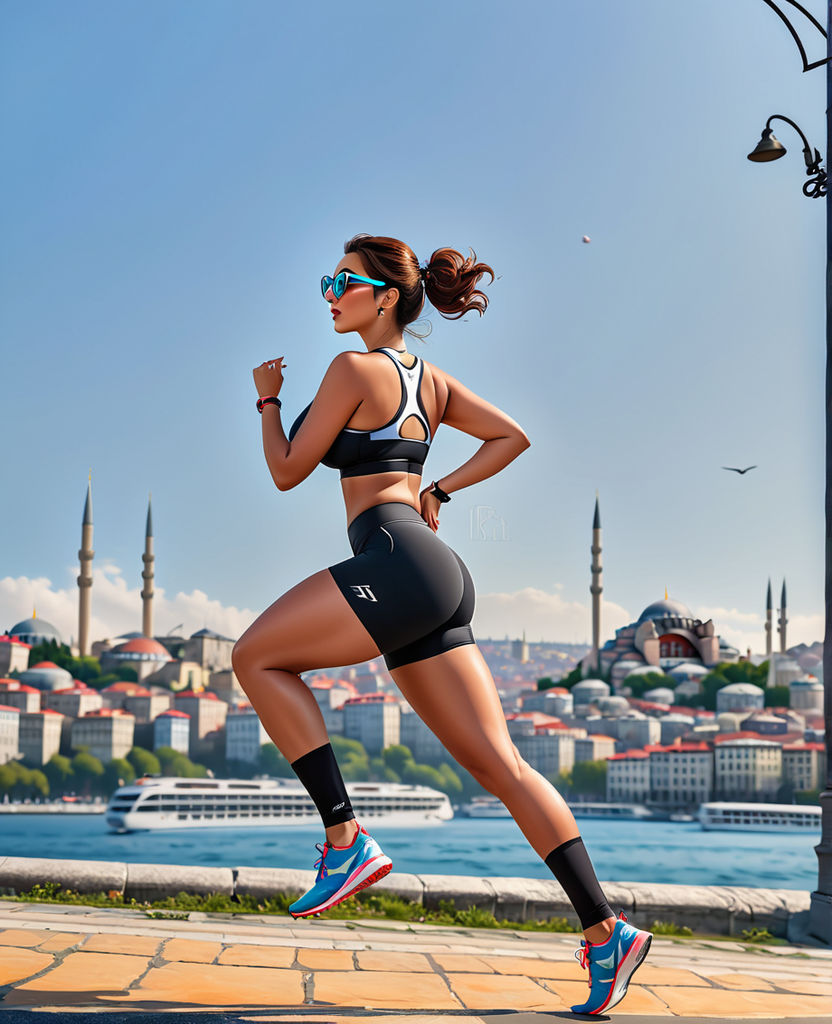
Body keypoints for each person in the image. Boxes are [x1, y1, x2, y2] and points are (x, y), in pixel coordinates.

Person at [232, 233, 652, 1014]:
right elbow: (511, 436)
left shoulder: (353, 368)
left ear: (384, 296)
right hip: (437, 572)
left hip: (395, 561)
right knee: (503, 769)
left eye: (341, 280)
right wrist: (444, 491)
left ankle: (344, 839)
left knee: (255, 658)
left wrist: (265, 399)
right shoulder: (431, 380)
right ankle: (607, 932)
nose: (329, 292)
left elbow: (288, 470)